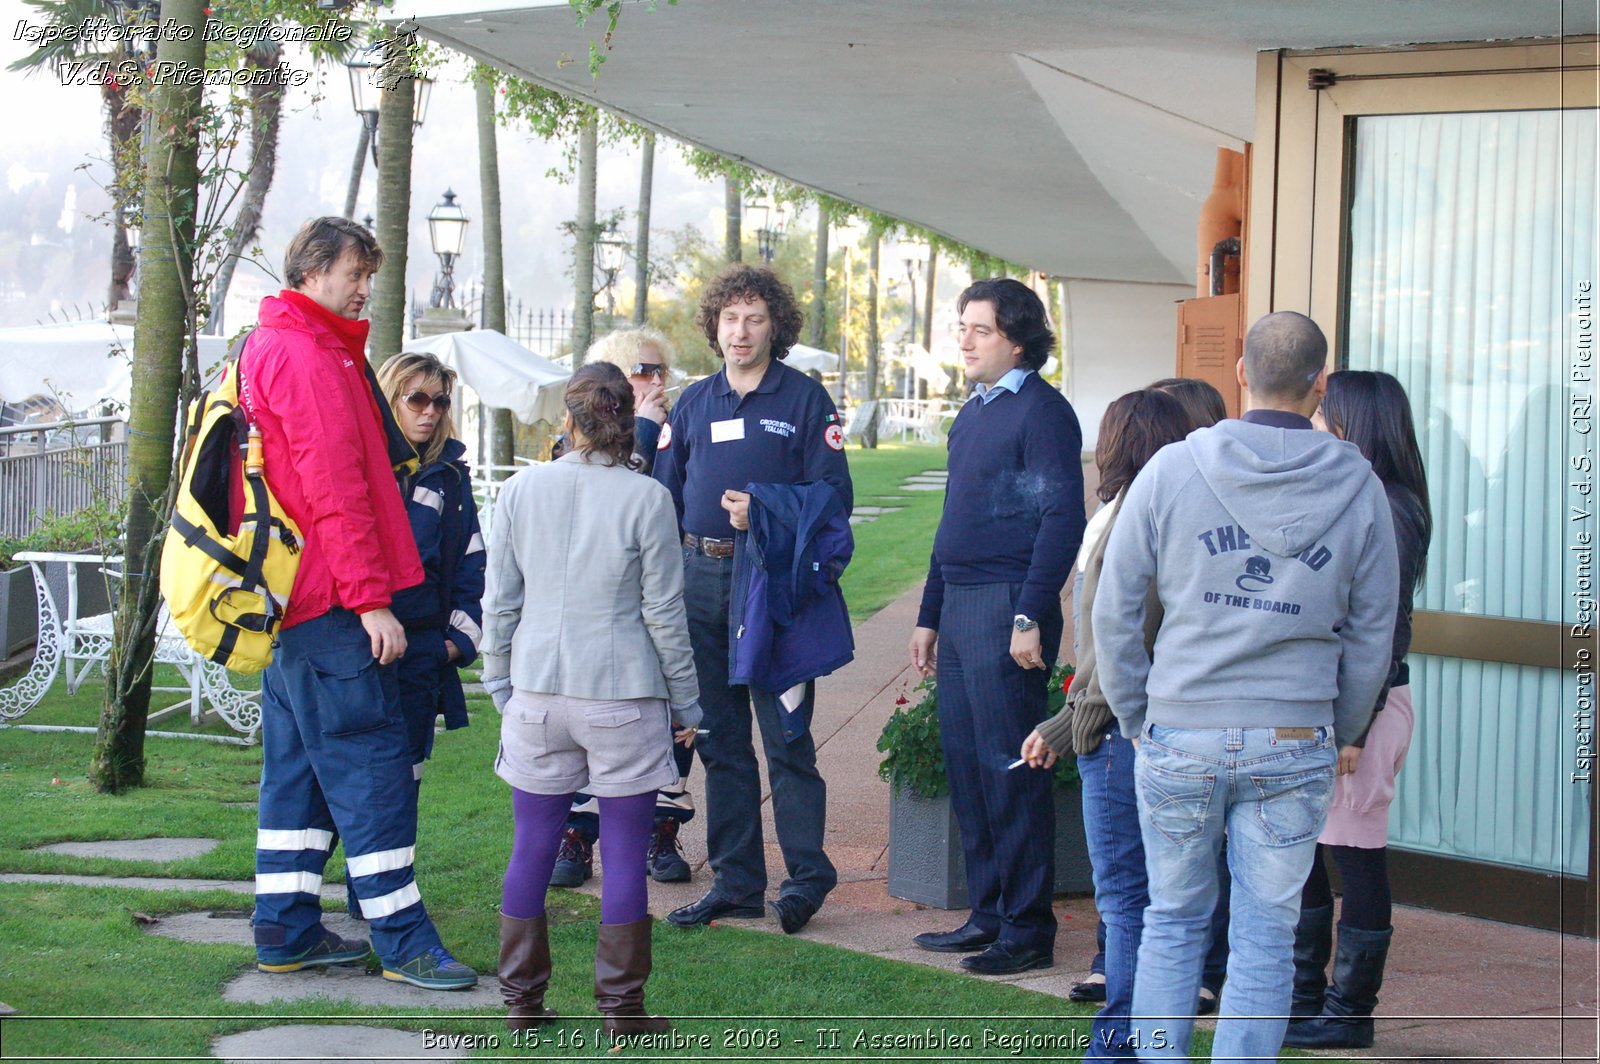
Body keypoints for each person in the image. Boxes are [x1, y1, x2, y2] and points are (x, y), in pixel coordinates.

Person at [1094, 311, 1398, 1061]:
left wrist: (1138, 714)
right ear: (1318, 385)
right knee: (1265, 934)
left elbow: (1115, 606)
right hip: (1295, 735)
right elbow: (1372, 633)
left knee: (1172, 920)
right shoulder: (1360, 485)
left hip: (1181, 729)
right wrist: (1343, 727)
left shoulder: (1172, 469)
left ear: (1241, 372)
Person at [244, 217, 476, 991]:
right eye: (354, 272)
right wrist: (371, 601)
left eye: (369, 273)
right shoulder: (307, 355)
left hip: (297, 608)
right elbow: (333, 491)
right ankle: (404, 940)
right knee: (374, 766)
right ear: (312, 272)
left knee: (300, 772)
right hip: (333, 606)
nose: (365, 285)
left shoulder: (283, 345)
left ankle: (285, 927)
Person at [480, 362, 702, 1035]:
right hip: (622, 696)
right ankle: (621, 1011)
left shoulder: (520, 490)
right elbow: (664, 614)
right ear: (625, 423)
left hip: (538, 691)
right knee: (627, 853)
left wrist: (498, 679)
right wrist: (688, 705)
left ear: (568, 422)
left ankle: (522, 1004)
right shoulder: (647, 498)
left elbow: (500, 602)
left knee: (531, 847)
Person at [654, 263, 852, 935]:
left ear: (776, 327)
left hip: (770, 585)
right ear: (716, 326)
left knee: (787, 740)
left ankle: (807, 878)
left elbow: (834, 498)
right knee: (720, 741)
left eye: (755, 319)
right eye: (730, 318)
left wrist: (763, 509)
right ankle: (736, 883)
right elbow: (665, 495)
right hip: (698, 582)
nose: (740, 331)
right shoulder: (694, 402)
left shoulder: (805, 400)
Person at [908, 278, 1086, 975]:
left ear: (1016, 337)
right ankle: (988, 913)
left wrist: (1029, 614)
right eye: (961, 326)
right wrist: (927, 614)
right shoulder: (973, 413)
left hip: (1009, 603)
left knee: (1011, 770)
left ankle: (1027, 929)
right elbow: (952, 524)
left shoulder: (1043, 413)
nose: (964, 339)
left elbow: (1060, 518)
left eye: (978, 328)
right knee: (969, 768)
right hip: (959, 604)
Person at [1021, 388, 1191, 1056]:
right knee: (1155, 901)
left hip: (1124, 737)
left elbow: (1118, 647)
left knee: (1126, 901)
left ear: (1121, 443)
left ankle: (1118, 1043)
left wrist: (1068, 726)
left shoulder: (1131, 521)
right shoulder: (1165, 514)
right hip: (1145, 729)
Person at [1283, 370, 1431, 1051]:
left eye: (1324, 412)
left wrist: (1356, 727)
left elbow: (1385, 627)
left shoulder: (1391, 505)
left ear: (1354, 423)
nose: (1314, 421)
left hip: (1362, 710)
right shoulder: (1352, 493)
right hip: (1325, 707)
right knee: (1310, 849)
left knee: (1357, 853)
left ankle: (1350, 1011)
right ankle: (1306, 996)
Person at [550, 326, 696, 887]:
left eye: (659, 371)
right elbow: (607, 494)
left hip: (662, 596)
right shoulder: (574, 440)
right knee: (589, 725)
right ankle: (577, 836)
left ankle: (663, 827)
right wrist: (647, 431)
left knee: (673, 719)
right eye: (640, 370)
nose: (653, 381)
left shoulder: (679, 430)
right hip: (596, 610)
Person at [374, 352, 485, 789]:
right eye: (417, 399)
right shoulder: (363, 466)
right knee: (341, 787)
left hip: (420, 652)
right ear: (389, 399)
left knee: (404, 782)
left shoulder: (450, 477)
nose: (430, 411)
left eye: (440, 402)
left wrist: (456, 643)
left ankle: (396, 862)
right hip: (357, 645)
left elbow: (470, 563)